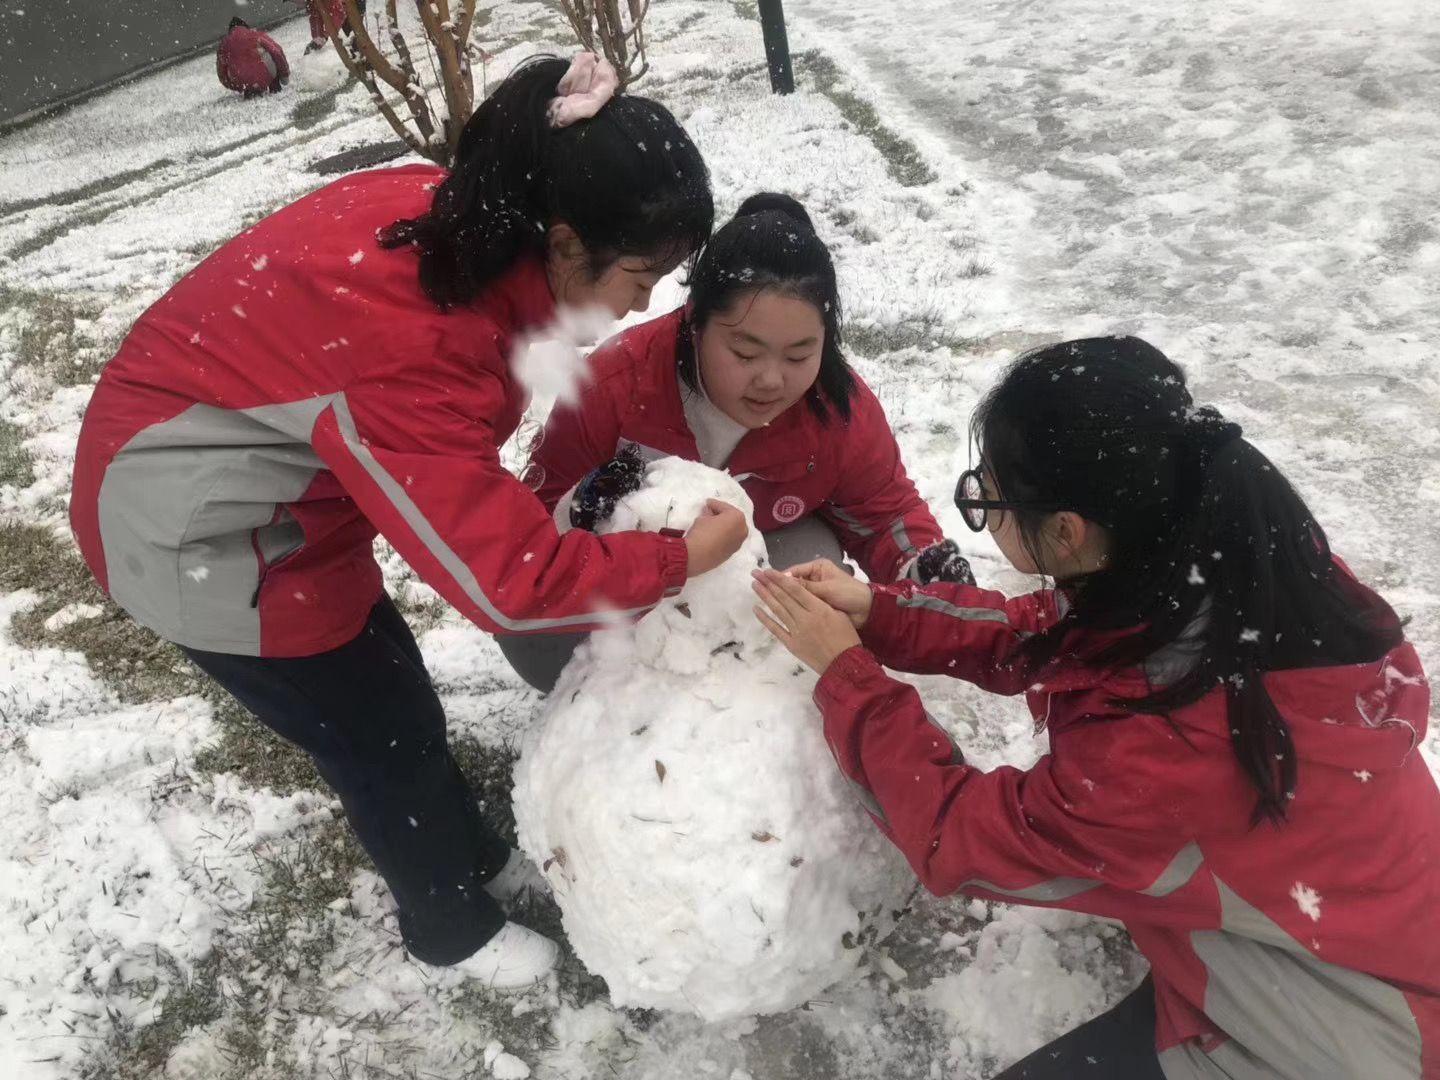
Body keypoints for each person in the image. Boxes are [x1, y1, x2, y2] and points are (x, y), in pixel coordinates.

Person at [70, 55, 743, 990]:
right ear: (557, 240)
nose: (645, 302)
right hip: (199, 532)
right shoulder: (416, 341)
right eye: (639, 274)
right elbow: (506, 582)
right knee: (373, 735)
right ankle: (449, 929)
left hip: (259, 479)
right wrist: (676, 559)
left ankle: (464, 849)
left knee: (390, 688)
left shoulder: (459, 220)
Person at [752, 337, 1440, 1078]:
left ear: (1069, 532)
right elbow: (1067, 638)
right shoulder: (1248, 569)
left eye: (993, 497)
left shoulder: (1159, 751)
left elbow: (959, 838)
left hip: (1345, 1037)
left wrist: (847, 675)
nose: (984, 503)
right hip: (1366, 936)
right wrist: (881, 611)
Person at [500, 192, 974, 692]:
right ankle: (626, 706)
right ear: (695, 321)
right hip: (632, 574)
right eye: (745, 353)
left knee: (815, 591)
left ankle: (759, 703)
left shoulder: (839, 409)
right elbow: (536, 521)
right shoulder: (613, 385)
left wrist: (927, 571)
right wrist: (587, 507)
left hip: (761, 562)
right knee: (541, 650)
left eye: (799, 356)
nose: (772, 381)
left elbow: (885, 512)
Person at [216, 17, 290, 98]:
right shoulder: (255, 35)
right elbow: (277, 52)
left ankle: (250, 89)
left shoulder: (223, 45)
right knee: (268, 54)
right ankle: (274, 86)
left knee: (236, 65)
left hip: (241, 80)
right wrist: (284, 75)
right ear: (246, 27)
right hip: (263, 75)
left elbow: (221, 73)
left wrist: (236, 86)